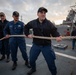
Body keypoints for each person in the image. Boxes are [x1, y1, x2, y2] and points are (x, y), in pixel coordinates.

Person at [24, 7, 62, 75]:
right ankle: (33, 68)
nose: (43, 14)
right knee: (31, 60)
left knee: (51, 62)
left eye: (44, 13)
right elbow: (26, 27)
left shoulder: (49, 23)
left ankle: (54, 73)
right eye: (41, 12)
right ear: (37, 14)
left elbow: (54, 31)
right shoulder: (33, 22)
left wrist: (57, 36)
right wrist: (27, 34)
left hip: (46, 46)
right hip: (36, 45)